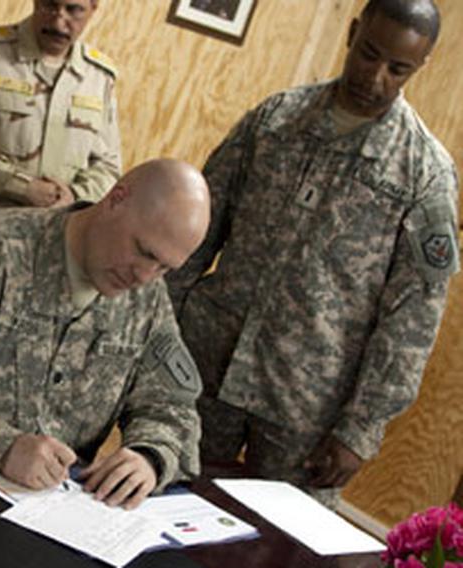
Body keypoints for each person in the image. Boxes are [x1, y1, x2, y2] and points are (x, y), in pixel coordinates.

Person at [165, 0, 459, 492]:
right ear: (351, 32)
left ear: (419, 67)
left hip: (305, 407)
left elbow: (411, 320)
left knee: (278, 551)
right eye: (369, 54)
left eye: (398, 68)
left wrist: (361, 429)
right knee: (163, 508)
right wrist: (160, 333)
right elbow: (195, 233)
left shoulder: (424, 173)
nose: (377, 76)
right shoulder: (276, 119)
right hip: (205, 366)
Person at [0, 159, 210, 509]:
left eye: (165, 267)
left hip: (54, 511)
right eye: (144, 251)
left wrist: (150, 457)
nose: (144, 276)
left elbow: (172, 406)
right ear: (116, 198)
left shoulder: (147, 297)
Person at [0, 0, 121, 239]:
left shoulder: (99, 76)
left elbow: (107, 167)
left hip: (47, 244)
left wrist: (73, 196)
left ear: (93, 9)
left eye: (73, 9)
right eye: (50, 5)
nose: (58, 20)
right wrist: (22, 186)